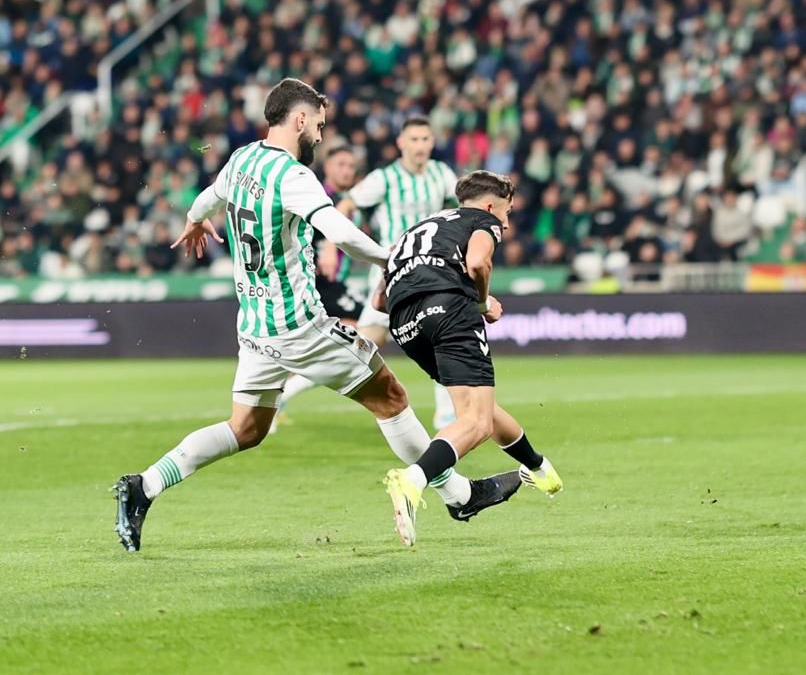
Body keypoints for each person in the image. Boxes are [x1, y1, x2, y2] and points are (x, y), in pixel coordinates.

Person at [112, 80, 519, 552]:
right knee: (391, 396)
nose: (322, 137)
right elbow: (341, 233)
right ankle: (459, 494)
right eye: (320, 126)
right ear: (299, 119)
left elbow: (207, 199)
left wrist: (193, 219)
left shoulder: (243, 158)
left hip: (256, 329)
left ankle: (143, 486)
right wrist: (395, 259)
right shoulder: (294, 177)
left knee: (246, 428)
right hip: (301, 326)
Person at [376, 170, 563, 546]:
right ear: (492, 205)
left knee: (479, 411)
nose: (506, 224)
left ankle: (540, 469)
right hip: (449, 307)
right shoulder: (482, 220)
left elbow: (378, 299)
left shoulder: (418, 228)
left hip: (404, 323)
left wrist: (537, 465)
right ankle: (413, 480)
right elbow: (478, 263)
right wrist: (481, 302)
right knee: (474, 422)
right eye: (507, 214)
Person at [340, 117, 460, 430]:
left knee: (442, 335)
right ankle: (294, 385)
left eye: (425, 139)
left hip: (431, 271)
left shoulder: (441, 174)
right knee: (359, 348)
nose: (420, 146)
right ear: (401, 143)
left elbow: (460, 206)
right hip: (391, 276)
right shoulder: (385, 178)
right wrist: (331, 246)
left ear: (432, 142)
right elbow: (347, 204)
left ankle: (446, 415)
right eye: (414, 139)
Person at [273, 144, 362, 428]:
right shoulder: (319, 196)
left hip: (334, 282)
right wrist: (325, 246)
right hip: (316, 282)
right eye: (341, 165)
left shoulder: (349, 200)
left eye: (351, 166)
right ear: (328, 167)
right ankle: (281, 397)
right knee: (362, 328)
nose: (347, 170)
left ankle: (276, 400)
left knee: (318, 346)